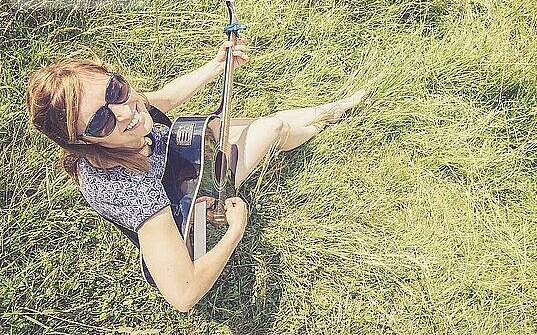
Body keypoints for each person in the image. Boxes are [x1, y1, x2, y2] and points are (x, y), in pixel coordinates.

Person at [26, 39, 366, 312]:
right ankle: (322, 123)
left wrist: (218, 66)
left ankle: (327, 111)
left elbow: (162, 100)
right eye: (101, 122)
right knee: (271, 128)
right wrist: (235, 230)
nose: (126, 110)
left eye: (116, 90)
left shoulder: (125, 110)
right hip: (188, 201)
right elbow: (183, 295)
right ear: (82, 142)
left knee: (244, 125)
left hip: (184, 158)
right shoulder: (130, 190)